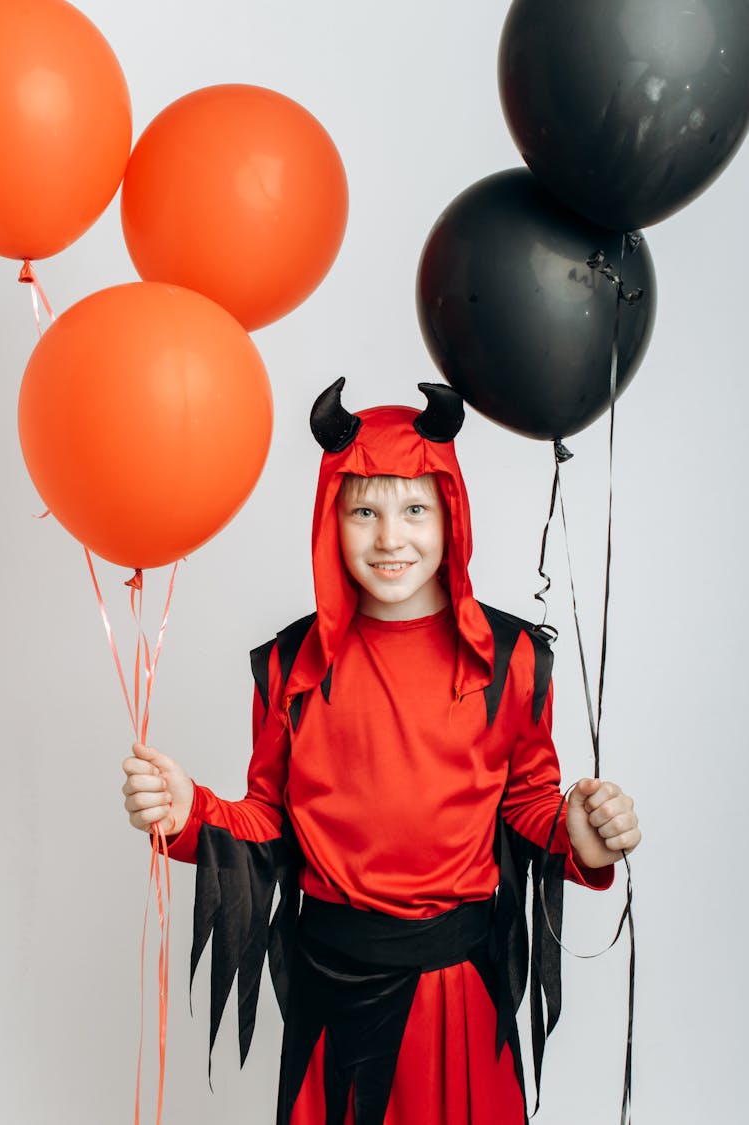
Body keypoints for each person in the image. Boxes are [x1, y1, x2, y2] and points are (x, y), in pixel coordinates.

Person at [122, 379, 641, 1125]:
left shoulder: (512, 658)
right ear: (330, 519)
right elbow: (268, 820)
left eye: (415, 509)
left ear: (452, 511)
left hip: (460, 991)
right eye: (364, 510)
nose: (390, 538)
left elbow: (528, 802)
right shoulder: (289, 667)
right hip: (333, 988)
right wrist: (190, 812)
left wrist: (580, 839)